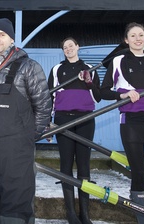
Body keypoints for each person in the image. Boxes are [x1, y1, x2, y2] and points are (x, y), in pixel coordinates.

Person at [0, 18, 52, 224]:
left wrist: (27, 138)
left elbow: (43, 107)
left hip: (15, 156)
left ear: (12, 39)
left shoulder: (28, 67)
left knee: (16, 210)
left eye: (2, 35)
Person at [100, 22, 144, 224]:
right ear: (126, 40)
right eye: (133, 35)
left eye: (141, 35)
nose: (138, 39)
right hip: (132, 123)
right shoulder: (118, 61)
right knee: (138, 173)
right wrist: (122, 94)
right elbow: (103, 92)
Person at [47, 37, 101, 224]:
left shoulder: (89, 69)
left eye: (71, 45)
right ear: (63, 50)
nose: (68, 49)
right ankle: (71, 214)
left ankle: (85, 214)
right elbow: (49, 97)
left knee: (84, 164)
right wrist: (48, 123)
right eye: (65, 47)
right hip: (63, 120)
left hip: (85, 120)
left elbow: (98, 96)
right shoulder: (56, 69)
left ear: (78, 47)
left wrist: (89, 82)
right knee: (66, 164)